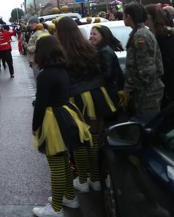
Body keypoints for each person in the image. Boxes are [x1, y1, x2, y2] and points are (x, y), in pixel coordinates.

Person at [32, 35, 92, 217]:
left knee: (56, 164)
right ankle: (69, 196)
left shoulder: (45, 75)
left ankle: (56, 208)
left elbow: (41, 104)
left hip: (52, 119)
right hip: (67, 114)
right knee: (63, 159)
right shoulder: (62, 69)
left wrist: (35, 126)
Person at [56, 16, 114, 193]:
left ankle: (84, 178)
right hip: (97, 96)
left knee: (79, 141)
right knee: (95, 139)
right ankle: (96, 178)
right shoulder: (89, 47)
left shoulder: (62, 52)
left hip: (76, 100)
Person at [123, 2, 164, 121]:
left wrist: (131, 89)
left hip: (147, 95)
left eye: (124, 15)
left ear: (128, 17)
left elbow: (146, 70)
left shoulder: (140, 36)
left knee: (148, 128)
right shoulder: (138, 33)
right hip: (145, 93)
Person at [89, 25, 124, 120]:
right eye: (91, 34)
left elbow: (106, 75)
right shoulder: (100, 50)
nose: (91, 36)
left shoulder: (104, 51)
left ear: (103, 36)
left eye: (94, 34)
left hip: (110, 93)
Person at [145, 4, 174, 108]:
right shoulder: (153, 35)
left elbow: (170, 63)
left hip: (168, 85)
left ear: (150, 17)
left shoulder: (165, 37)